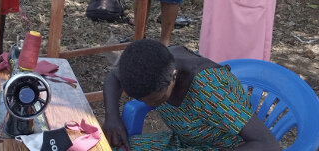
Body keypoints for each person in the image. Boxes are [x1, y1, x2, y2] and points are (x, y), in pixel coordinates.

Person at [102, 39, 280, 151]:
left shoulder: (210, 90)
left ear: (174, 77)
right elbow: (114, 76)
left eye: (158, 100)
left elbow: (268, 144)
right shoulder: (154, 62)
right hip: (183, 143)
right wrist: (112, 117)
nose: (154, 106)